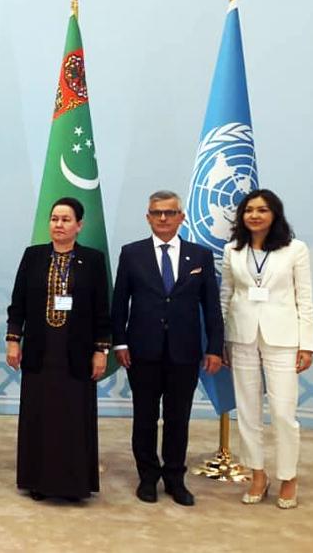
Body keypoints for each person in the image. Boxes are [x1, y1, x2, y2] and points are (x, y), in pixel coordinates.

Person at [112, 190, 224, 506]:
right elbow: (119, 303)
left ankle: (175, 479)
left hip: (184, 353)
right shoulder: (131, 253)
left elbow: (211, 306)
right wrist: (120, 341)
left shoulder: (199, 256)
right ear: (148, 217)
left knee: (178, 419)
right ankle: (148, 478)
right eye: (157, 212)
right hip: (141, 351)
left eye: (170, 212)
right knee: (144, 418)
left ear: (181, 217)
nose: (163, 218)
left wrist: (215, 347)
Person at [5, 197, 110, 501]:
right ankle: (38, 481)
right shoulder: (34, 256)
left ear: (79, 225)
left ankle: (73, 485)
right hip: (41, 352)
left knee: (73, 418)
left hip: (76, 354)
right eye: (54, 219)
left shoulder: (92, 260)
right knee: (40, 416)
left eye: (66, 220)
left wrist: (101, 350)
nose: (59, 225)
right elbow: (18, 302)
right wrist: (13, 340)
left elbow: (102, 310)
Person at [221, 189, 313, 509]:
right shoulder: (232, 250)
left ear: (274, 214)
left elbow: (305, 299)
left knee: (283, 413)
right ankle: (258, 474)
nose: (255, 215)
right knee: (248, 411)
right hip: (242, 337)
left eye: (262, 210)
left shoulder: (295, 249)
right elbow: (225, 296)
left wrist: (307, 345)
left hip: (284, 339)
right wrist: (221, 341)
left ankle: (288, 476)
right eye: (249, 210)